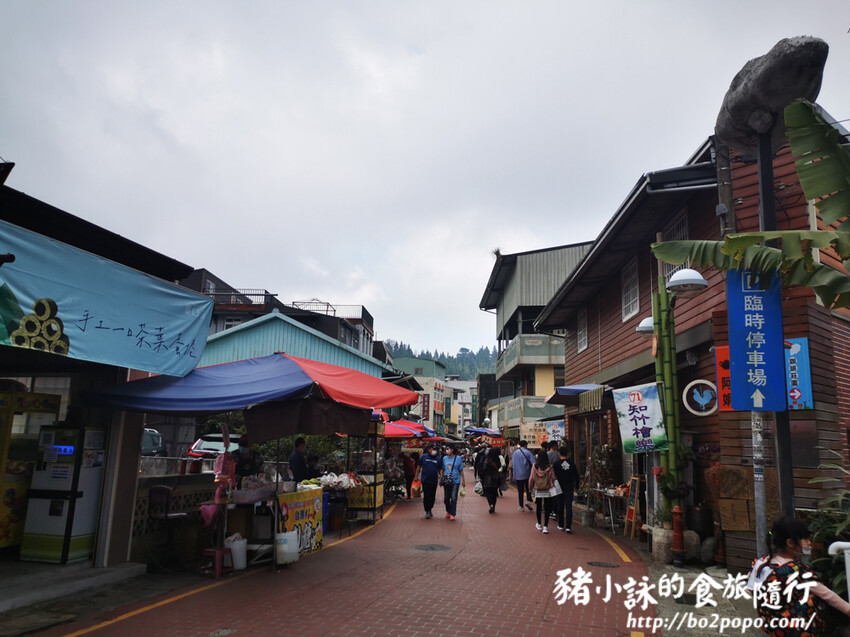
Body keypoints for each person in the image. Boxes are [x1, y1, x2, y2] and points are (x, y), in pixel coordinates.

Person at [746, 516, 850, 635]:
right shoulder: (796, 570)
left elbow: (752, 589)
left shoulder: (761, 564)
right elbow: (827, 595)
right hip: (797, 629)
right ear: (790, 543)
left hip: (772, 626)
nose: (809, 543)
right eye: (804, 539)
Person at [552, 446, 580, 533]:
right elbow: (576, 476)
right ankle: (568, 526)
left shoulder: (556, 464)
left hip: (559, 487)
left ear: (559, 454)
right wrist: (577, 486)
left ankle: (560, 525)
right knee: (569, 506)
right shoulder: (572, 463)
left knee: (560, 505)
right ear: (567, 454)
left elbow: (553, 476)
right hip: (569, 487)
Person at [528, 450, 556, 534]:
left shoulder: (535, 466)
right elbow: (553, 478)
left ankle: (539, 524)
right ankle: (546, 527)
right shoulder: (550, 467)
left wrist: (530, 488)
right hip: (547, 488)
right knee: (547, 507)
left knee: (539, 506)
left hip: (538, 488)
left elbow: (532, 478)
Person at [414, 444, 441, 518]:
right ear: (429, 449)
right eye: (432, 449)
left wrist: (441, 478)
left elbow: (441, 469)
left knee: (432, 496)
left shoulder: (438, 459)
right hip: (425, 480)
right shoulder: (423, 457)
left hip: (434, 481)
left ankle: (430, 508)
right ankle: (427, 511)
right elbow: (418, 467)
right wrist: (416, 476)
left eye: (435, 449)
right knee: (426, 496)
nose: (433, 451)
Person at [439, 444, 465, 521]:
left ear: (452, 450)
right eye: (446, 449)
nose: (447, 450)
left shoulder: (458, 458)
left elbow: (461, 470)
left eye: (448, 448)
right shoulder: (444, 458)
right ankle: (448, 510)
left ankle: (452, 513)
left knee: (453, 497)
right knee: (446, 498)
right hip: (446, 480)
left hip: (456, 480)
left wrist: (463, 480)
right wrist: (441, 478)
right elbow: (442, 469)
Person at [510, 440, 536, 511]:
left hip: (518, 474)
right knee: (528, 488)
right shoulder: (528, 452)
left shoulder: (515, 453)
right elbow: (533, 463)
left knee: (520, 490)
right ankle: (528, 501)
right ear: (525, 445)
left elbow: (513, 463)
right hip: (527, 474)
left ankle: (521, 506)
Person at [479, 448, 501, 514]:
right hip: (495, 478)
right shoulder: (497, 460)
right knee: (494, 493)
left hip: (487, 478)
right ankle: (493, 505)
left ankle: (490, 504)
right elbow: (499, 467)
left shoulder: (487, 460)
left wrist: (481, 477)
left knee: (488, 493)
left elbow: (484, 469)